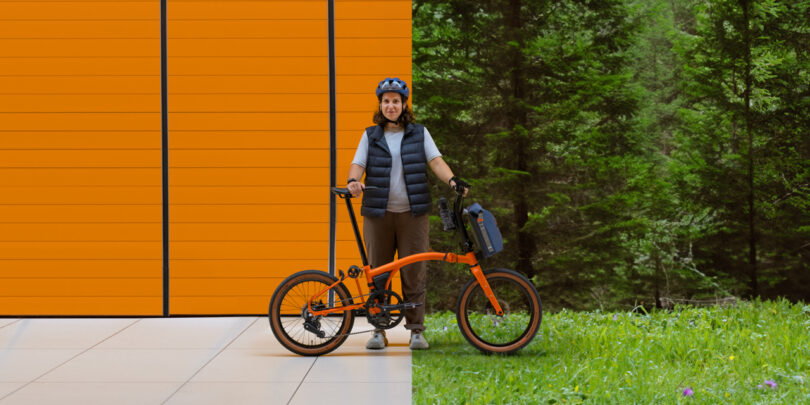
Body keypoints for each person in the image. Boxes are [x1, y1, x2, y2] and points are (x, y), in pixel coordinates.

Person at [346, 77, 467, 350]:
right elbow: (357, 163)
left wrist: (453, 181)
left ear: (404, 105)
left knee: (414, 271)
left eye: (396, 101)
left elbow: (435, 161)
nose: (391, 106)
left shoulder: (419, 133)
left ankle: (416, 330)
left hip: (413, 214)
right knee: (378, 272)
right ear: (381, 105)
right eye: (386, 101)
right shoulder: (370, 135)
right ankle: (378, 329)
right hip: (379, 213)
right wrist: (353, 181)